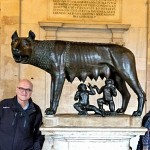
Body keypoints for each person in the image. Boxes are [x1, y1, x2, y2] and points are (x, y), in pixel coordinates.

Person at [0, 79, 45, 150]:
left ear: (31, 92)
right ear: (16, 90)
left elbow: (39, 133)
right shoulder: (4, 105)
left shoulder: (36, 110)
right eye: (21, 88)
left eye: (28, 90)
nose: (24, 92)